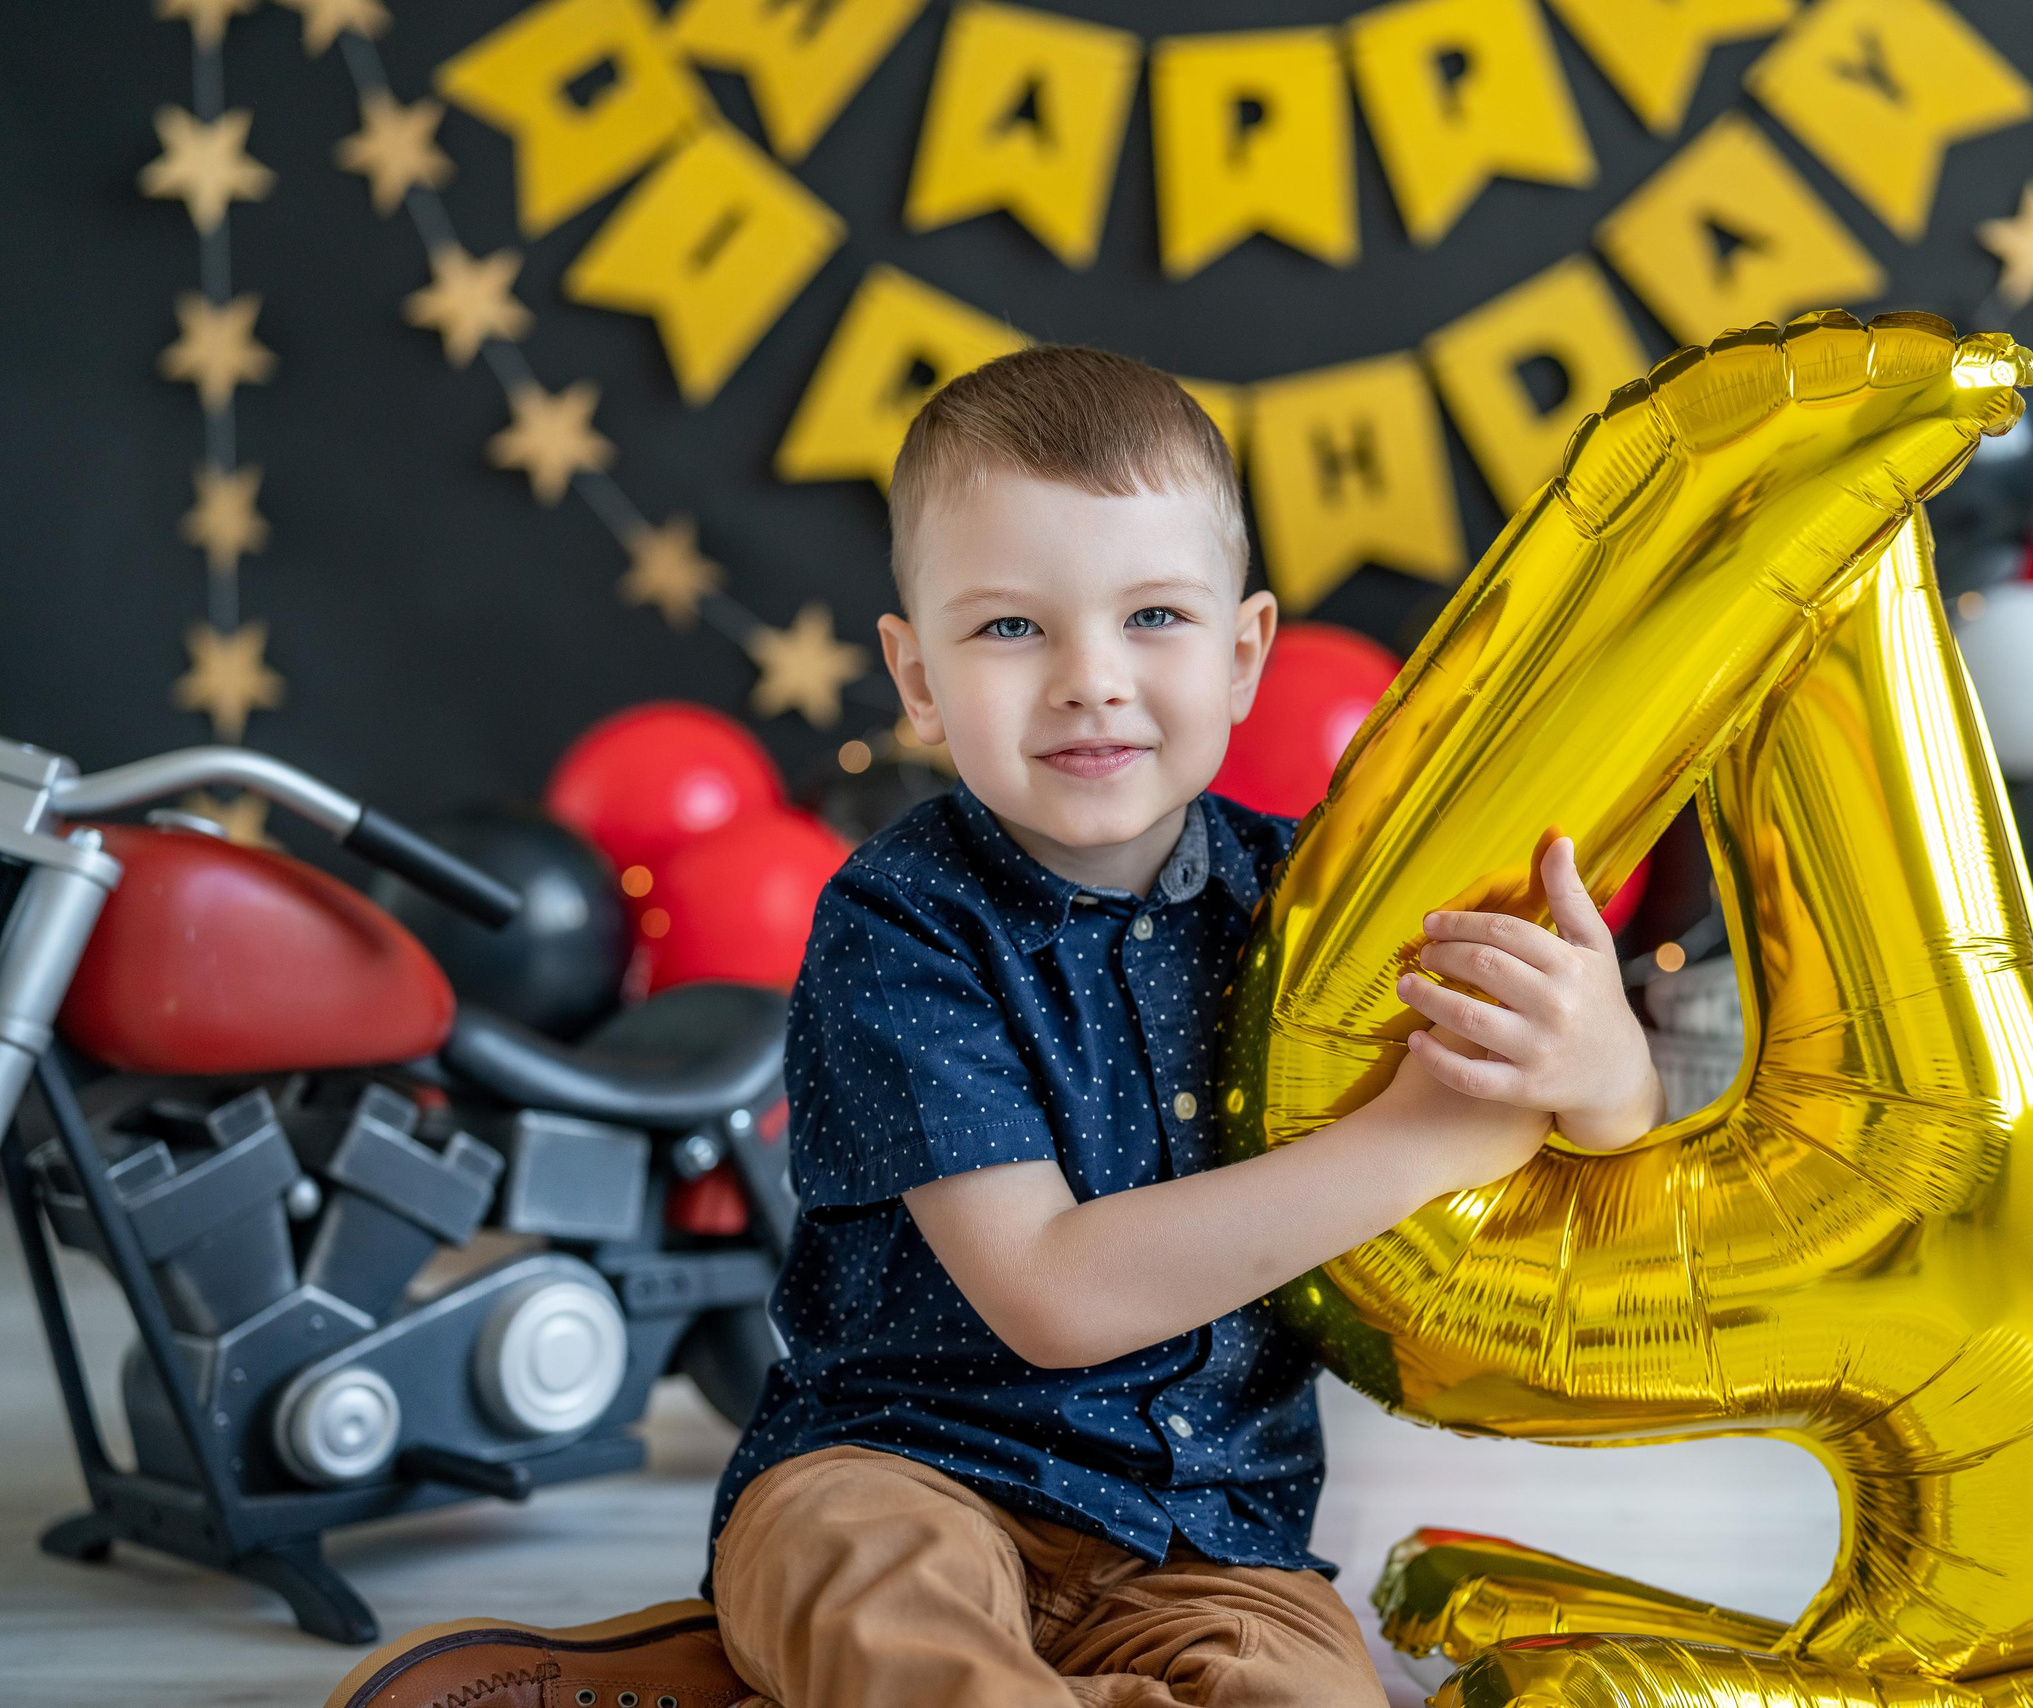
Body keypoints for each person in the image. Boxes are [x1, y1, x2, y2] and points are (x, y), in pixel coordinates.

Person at [325, 346, 1665, 1708]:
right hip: (910, 1474)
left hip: (1212, 1546)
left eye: (1153, 617)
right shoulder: (900, 925)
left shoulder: (1321, 912)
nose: (1091, 679)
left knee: (1305, 1693)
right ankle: (827, 1651)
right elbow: (1055, 1294)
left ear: (1245, 652)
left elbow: (1583, 1178)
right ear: (916, 678)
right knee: (864, 1578)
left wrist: (1601, 1073)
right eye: (1012, 628)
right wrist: (1429, 1138)